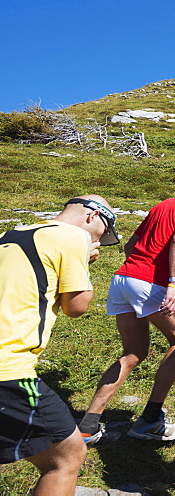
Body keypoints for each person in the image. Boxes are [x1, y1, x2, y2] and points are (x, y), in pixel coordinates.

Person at [79, 172, 175, 443]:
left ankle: (88, 425)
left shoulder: (164, 204)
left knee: (133, 353)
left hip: (123, 278)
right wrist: (173, 283)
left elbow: (132, 244)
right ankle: (149, 419)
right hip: (152, 282)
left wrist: (136, 273)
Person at [0, 196, 118, 494]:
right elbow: (76, 306)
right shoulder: (74, 235)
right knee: (68, 457)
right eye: (101, 236)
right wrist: (83, 264)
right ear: (92, 217)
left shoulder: (10, 236)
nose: (99, 244)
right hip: (9, 367)